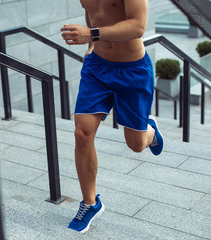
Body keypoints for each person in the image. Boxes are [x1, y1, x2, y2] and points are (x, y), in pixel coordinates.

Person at [61, 0, 163, 233]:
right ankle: (90, 203)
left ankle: (151, 131)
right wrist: (90, 45)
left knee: (136, 145)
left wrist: (91, 34)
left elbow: (138, 26)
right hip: (97, 67)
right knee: (82, 133)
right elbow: (93, 13)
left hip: (133, 71)